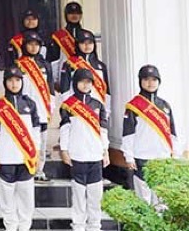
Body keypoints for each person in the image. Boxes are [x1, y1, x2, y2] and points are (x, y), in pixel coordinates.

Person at [0, 67, 41, 231]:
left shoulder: (30, 104)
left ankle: (24, 226)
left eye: (17, 80)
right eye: (10, 80)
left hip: (25, 156)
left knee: (25, 193)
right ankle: (10, 225)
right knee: (6, 193)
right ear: (5, 83)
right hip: (6, 156)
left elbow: (36, 130)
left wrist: (36, 152)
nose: (14, 84)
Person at [59, 68, 109, 231]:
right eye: (82, 81)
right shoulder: (68, 105)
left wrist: (105, 150)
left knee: (95, 195)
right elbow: (65, 129)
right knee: (79, 195)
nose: (85, 85)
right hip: (77, 155)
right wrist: (64, 150)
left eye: (88, 82)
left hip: (95, 155)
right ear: (75, 83)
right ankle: (78, 225)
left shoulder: (98, 105)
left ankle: (95, 225)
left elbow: (103, 130)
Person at [122, 65, 178, 205]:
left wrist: (175, 154)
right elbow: (128, 133)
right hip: (142, 158)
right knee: (144, 200)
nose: (150, 83)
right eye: (146, 79)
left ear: (159, 81)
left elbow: (172, 132)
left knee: (161, 200)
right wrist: (128, 156)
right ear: (140, 81)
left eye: (154, 79)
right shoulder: (133, 106)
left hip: (162, 158)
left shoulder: (165, 106)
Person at [14, 30, 56, 182]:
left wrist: (51, 107)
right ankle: (23, 168)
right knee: (23, 138)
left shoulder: (45, 64)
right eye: (30, 44)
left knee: (41, 142)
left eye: (36, 45)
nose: (33, 47)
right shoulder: (18, 64)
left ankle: (39, 170)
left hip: (41, 109)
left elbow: (50, 88)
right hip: (23, 109)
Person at [60, 30, 110, 115]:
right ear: (77, 44)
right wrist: (66, 110)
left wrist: (107, 111)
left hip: (96, 109)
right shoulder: (69, 64)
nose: (87, 46)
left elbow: (107, 92)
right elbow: (65, 90)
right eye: (83, 43)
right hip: (76, 109)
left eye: (90, 43)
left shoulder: (101, 66)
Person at [48, 2, 84, 74]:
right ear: (66, 15)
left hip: (83, 74)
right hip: (64, 74)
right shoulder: (58, 36)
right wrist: (55, 80)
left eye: (77, 13)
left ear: (81, 15)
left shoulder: (86, 35)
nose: (74, 15)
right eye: (71, 13)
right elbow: (54, 61)